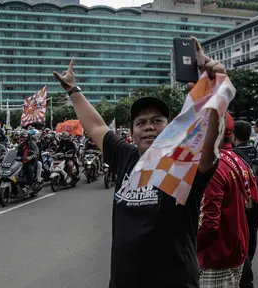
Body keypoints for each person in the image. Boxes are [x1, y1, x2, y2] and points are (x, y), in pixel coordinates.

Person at [52, 44, 225, 287]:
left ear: (170, 126)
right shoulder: (126, 156)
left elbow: (210, 147)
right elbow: (97, 126)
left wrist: (216, 99)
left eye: (157, 120)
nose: (149, 126)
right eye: (141, 122)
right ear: (132, 133)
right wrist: (73, 90)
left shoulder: (182, 161)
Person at [198, 114, 258, 288]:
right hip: (236, 250)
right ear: (231, 136)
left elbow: (208, 223)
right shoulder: (239, 161)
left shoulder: (212, 167)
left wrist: (189, 246)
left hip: (215, 256)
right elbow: (255, 203)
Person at [232, 121, 258, 288]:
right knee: (251, 237)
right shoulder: (254, 151)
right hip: (255, 203)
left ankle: (245, 267)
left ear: (233, 135)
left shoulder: (231, 155)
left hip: (241, 206)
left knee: (241, 243)